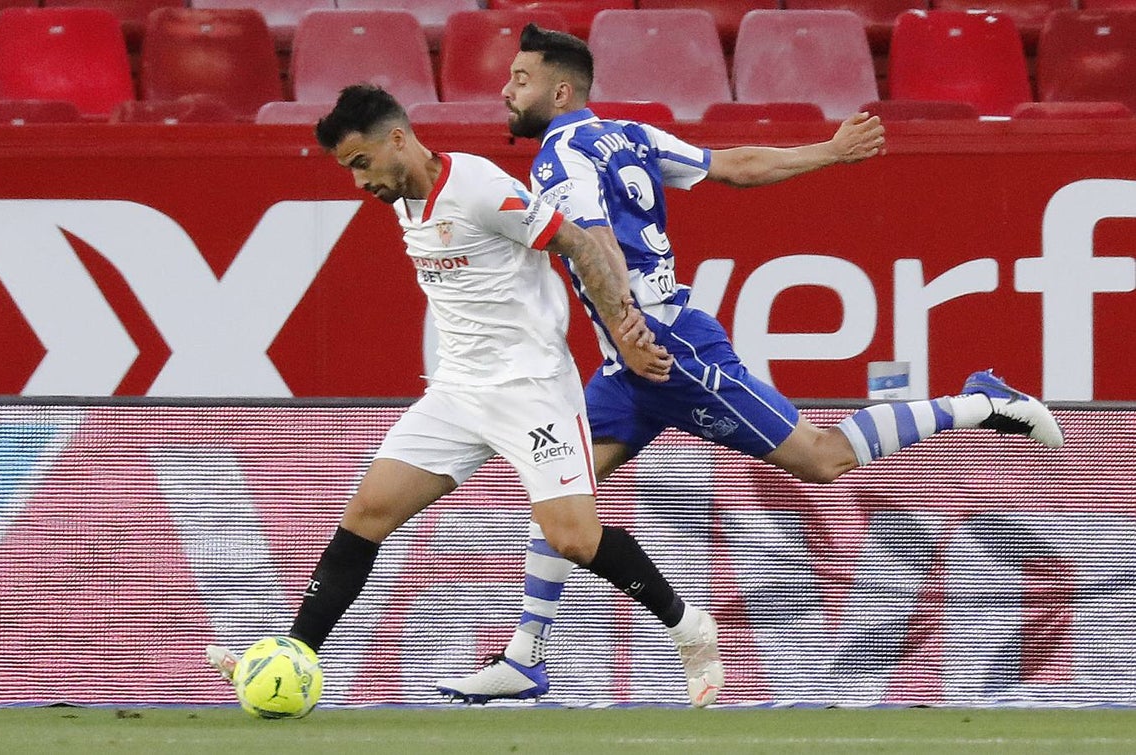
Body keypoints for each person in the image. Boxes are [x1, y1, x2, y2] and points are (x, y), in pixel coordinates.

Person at [434, 23, 1065, 704]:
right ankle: (527, 657)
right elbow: (733, 166)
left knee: (822, 459)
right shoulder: (631, 135)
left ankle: (981, 401)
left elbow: (594, 244)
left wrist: (626, 323)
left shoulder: (561, 160)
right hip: (631, 363)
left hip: (667, 351)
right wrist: (828, 151)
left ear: (560, 91)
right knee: (561, 494)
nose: (505, 89)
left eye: (520, 80)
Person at [205, 83, 727, 708]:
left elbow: (581, 244)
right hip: (456, 392)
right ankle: (289, 658)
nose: (358, 183)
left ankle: (689, 627)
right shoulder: (404, 200)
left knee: (572, 537)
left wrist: (624, 327)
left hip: (531, 388)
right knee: (369, 512)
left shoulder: (479, 187)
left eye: (361, 164)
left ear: (398, 139)